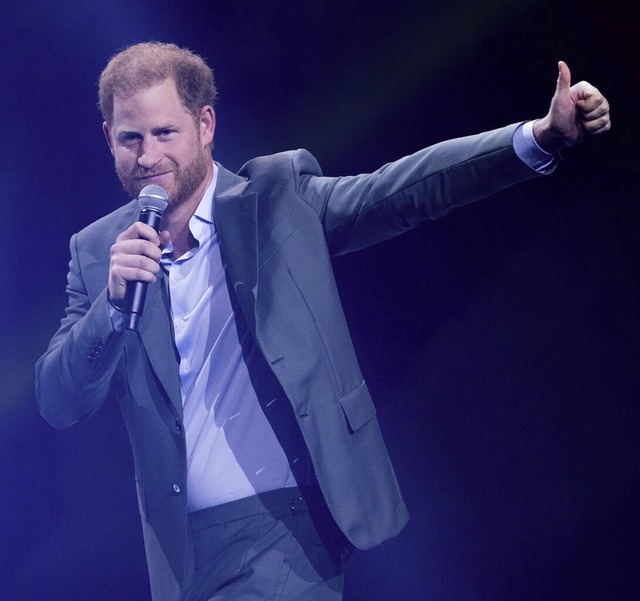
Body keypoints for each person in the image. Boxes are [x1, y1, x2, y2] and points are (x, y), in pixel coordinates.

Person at [35, 42, 610, 601]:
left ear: (205, 125)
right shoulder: (98, 253)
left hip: (289, 527)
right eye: (130, 139)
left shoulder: (276, 199)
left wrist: (538, 136)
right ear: (109, 139)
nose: (147, 157)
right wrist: (110, 310)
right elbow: (59, 400)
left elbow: (403, 191)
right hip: (182, 554)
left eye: (165, 133)